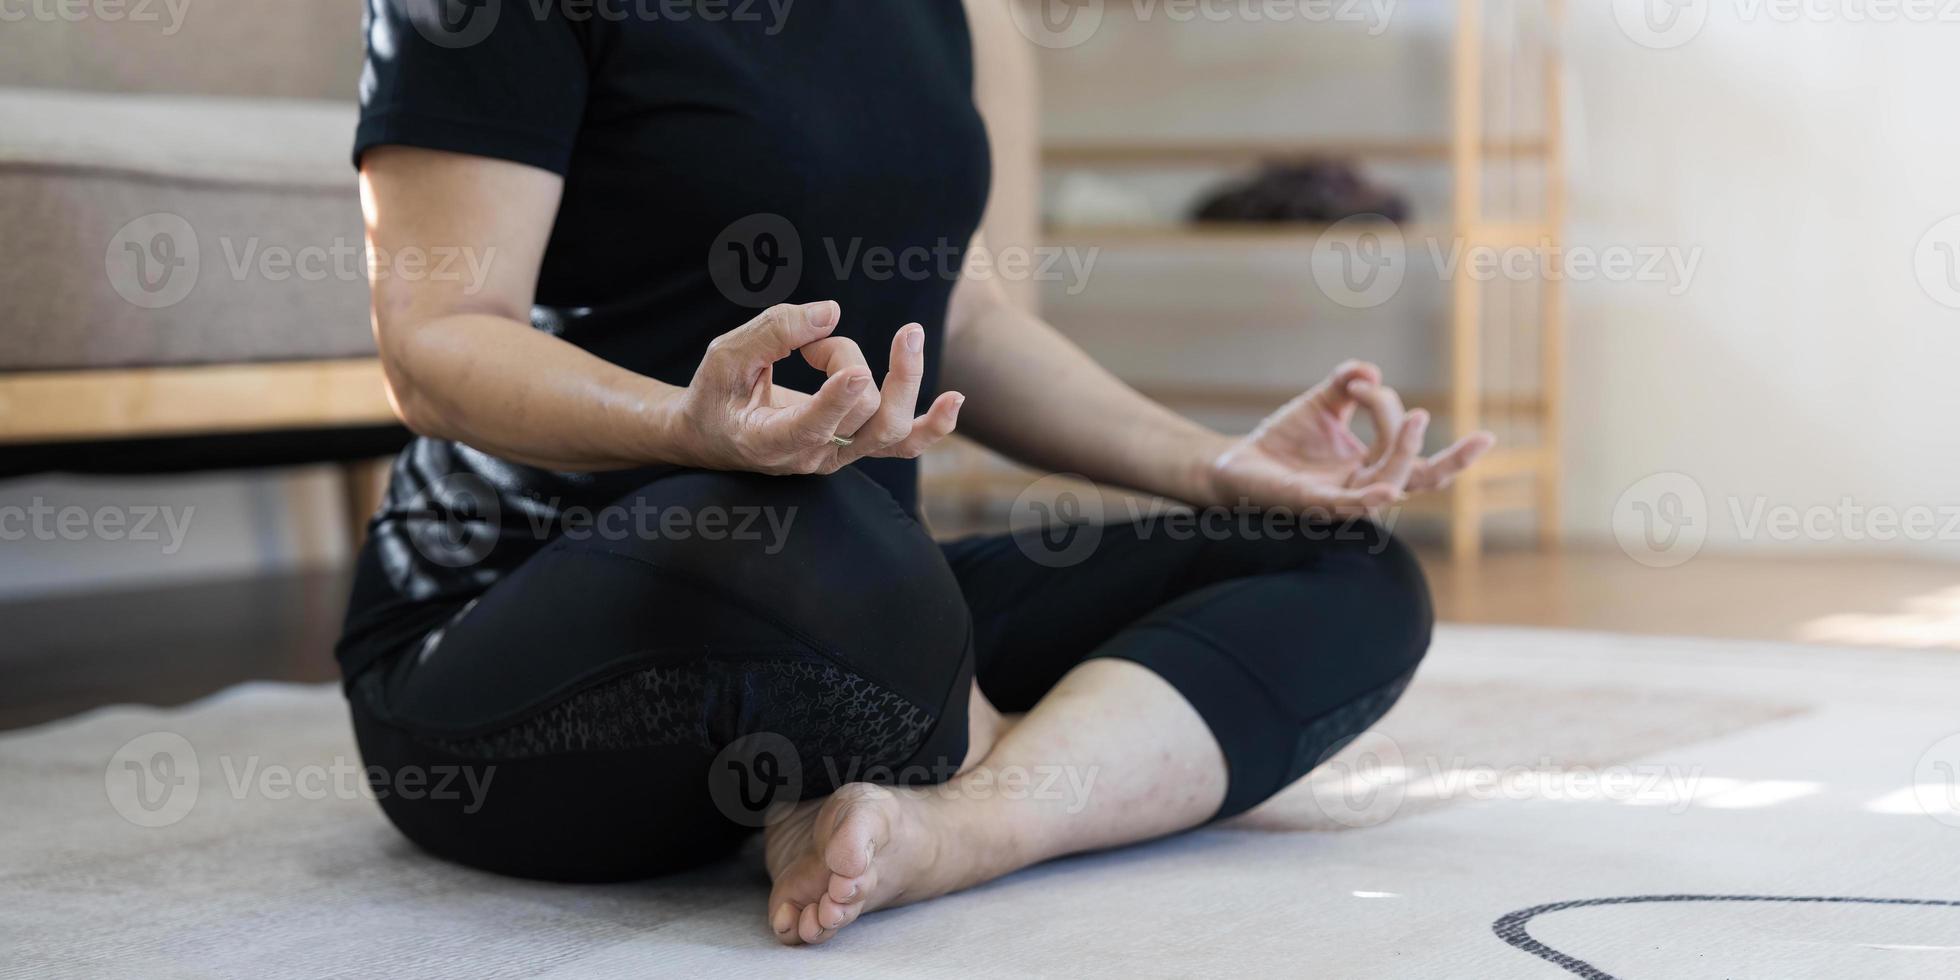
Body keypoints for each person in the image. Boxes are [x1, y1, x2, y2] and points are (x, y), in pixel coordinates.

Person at [339, 0, 1495, 946]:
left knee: (1348, 567)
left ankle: (953, 827)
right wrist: (688, 427)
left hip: (850, 604)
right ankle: (943, 736)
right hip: (520, 639)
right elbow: (436, 338)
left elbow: (964, 318)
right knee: (807, 533)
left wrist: (1218, 463)